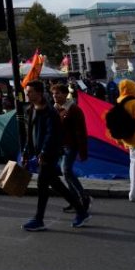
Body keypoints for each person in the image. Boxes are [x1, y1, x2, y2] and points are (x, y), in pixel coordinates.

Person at [22, 80, 89, 231]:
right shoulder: (32, 109)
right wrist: (27, 150)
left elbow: (50, 134)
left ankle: (39, 219)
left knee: (42, 186)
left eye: (30, 91)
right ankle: (81, 210)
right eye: (27, 91)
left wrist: (44, 152)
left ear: (39, 93)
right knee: (55, 184)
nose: (27, 94)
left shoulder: (49, 112)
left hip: (49, 154)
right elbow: (31, 134)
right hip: (41, 153)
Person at [51, 83, 90, 213]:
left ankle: (83, 196)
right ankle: (74, 201)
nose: (55, 96)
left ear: (64, 94)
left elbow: (81, 131)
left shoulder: (73, 109)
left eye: (58, 93)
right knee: (65, 173)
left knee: (66, 170)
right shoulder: (55, 109)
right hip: (60, 146)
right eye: (53, 94)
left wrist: (82, 150)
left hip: (71, 145)